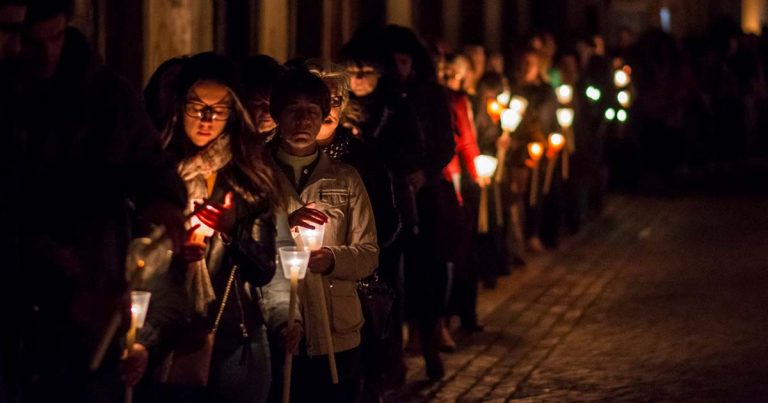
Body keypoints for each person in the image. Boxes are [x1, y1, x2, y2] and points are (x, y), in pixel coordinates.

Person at [16, 1, 188, 402]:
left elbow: (151, 163)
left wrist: (162, 200)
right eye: (30, 42)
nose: (47, 55)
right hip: (25, 302)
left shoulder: (106, 93)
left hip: (97, 296)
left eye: (56, 38)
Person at [153, 52, 281, 403]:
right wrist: (171, 247)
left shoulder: (249, 176)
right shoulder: (155, 168)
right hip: (165, 331)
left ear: (234, 113)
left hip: (231, 328)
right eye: (197, 106)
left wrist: (232, 229)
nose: (206, 118)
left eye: (219, 108)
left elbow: (265, 268)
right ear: (179, 105)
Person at [269, 67, 379, 403]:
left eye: (312, 112)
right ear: (277, 116)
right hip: (280, 322)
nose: (303, 121)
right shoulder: (259, 175)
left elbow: (369, 252)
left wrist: (331, 258)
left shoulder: (345, 179)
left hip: (336, 329)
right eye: (294, 111)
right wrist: (285, 225)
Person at [306, 59, 401, 402]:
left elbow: (386, 225)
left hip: (348, 294)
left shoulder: (360, 160)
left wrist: (342, 255)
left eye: (335, 100)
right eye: (319, 100)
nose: (327, 109)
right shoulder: (276, 158)